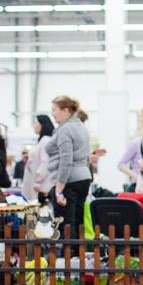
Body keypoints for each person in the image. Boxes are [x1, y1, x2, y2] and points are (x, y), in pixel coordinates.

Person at [45, 96, 92, 240]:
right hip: (84, 178)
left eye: (54, 110)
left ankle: (69, 253)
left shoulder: (65, 130)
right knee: (79, 221)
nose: (52, 113)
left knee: (66, 224)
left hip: (69, 181)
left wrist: (59, 189)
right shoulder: (81, 127)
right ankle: (79, 252)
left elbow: (66, 160)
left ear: (66, 110)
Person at [22, 115, 54, 201]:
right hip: (37, 183)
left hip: (40, 185)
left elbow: (45, 162)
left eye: (36, 123)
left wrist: (38, 181)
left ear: (42, 125)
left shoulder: (45, 140)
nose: (34, 126)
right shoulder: (43, 140)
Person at [118, 108, 143, 192]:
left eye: (141, 119)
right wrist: (137, 177)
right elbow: (121, 164)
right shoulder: (136, 143)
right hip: (138, 186)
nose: (140, 122)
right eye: (139, 120)